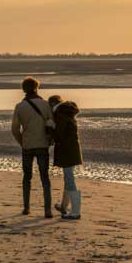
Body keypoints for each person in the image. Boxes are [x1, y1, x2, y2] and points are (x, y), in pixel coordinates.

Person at [11, 77, 54, 218]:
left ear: (23, 89)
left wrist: (22, 142)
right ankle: (47, 210)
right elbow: (51, 124)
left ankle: (26, 207)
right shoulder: (45, 104)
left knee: (27, 177)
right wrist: (50, 140)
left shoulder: (19, 106)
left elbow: (15, 129)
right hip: (42, 144)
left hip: (28, 145)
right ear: (37, 88)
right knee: (44, 177)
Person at [48, 95, 83, 220]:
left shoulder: (60, 114)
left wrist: (51, 127)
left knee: (69, 179)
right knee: (68, 178)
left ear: (52, 104)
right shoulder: (67, 111)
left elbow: (58, 135)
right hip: (72, 149)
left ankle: (75, 212)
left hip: (66, 150)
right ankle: (63, 206)